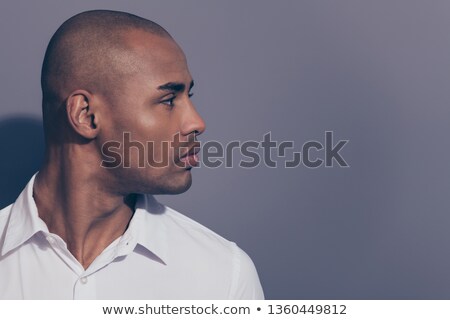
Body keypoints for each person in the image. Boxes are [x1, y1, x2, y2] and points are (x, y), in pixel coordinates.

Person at [0, 10, 264, 299]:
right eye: (168, 100)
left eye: (188, 96)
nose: (197, 123)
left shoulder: (224, 275)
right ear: (86, 116)